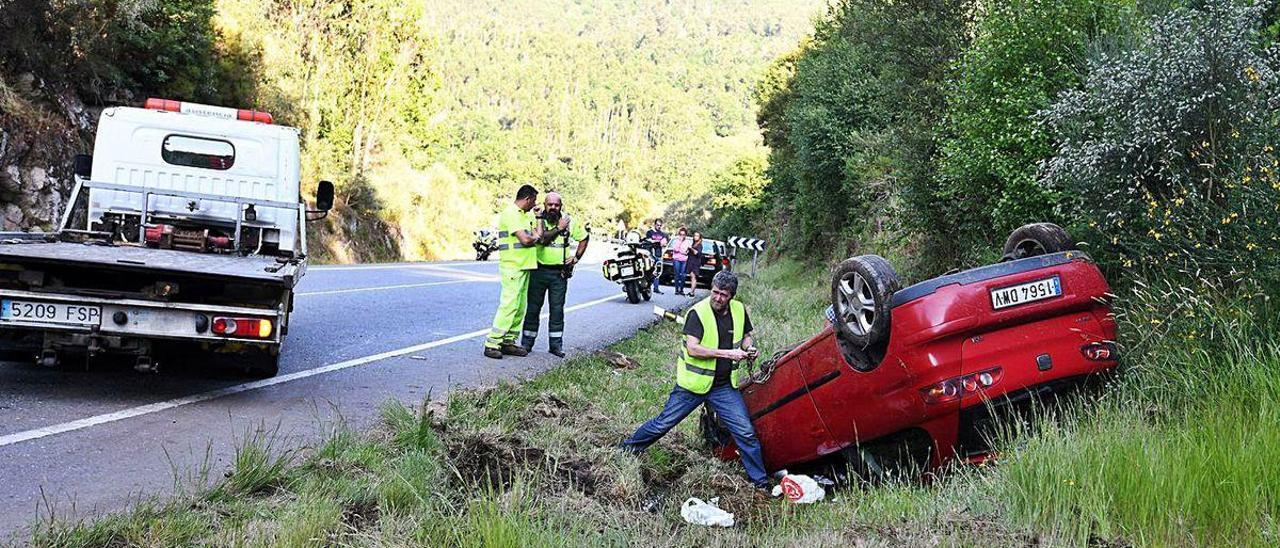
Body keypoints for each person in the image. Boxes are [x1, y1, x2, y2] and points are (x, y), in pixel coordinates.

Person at [620, 271, 769, 491]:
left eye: (723, 295)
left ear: (732, 296)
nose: (718, 298)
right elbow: (693, 348)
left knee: (745, 431)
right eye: (715, 292)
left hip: (723, 387)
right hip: (692, 386)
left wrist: (749, 347)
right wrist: (729, 354)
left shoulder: (739, 310)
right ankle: (625, 450)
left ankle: (761, 482)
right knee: (663, 424)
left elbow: (746, 335)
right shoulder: (697, 313)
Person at [521, 191, 587, 357]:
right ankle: (526, 344)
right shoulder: (537, 219)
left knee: (557, 310)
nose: (553, 208)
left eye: (556, 205)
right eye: (550, 204)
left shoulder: (570, 221)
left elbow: (584, 238)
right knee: (533, 309)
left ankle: (555, 346)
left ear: (560, 206)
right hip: (538, 271)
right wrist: (559, 228)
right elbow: (542, 239)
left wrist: (576, 258)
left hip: (559, 274)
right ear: (545, 205)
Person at [484, 184, 544, 360]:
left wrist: (539, 218)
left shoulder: (527, 216)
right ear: (527, 199)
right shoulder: (511, 213)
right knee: (509, 305)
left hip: (525, 265)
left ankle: (508, 341)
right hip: (512, 265)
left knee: (520, 306)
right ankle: (492, 343)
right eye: (533, 201)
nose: (534, 205)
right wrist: (533, 237)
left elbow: (538, 236)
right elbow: (526, 240)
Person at [644, 219, 668, 294]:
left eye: (660, 225)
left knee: (658, 271)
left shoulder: (662, 234)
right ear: (654, 224)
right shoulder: (649, 232)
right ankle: (647, 286)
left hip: (658, 254)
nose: (659, 226)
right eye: (657, 225)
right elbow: (648, 241)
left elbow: (664, 242)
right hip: (651, 254)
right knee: (649, 270)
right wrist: (655, 241)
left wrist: (663, 243)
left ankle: (656, 288)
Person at [669, 227, 693, 296]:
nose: (682, 236)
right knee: (677, 274)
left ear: (685, 235)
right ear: (679, 235)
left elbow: (688, 250)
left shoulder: (687, 242)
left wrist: (686, 252)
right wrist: (680, 243)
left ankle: (681, 290)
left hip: (684, 260)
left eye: (684, 234)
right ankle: (676, 289)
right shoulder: (676, 241)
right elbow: (675, 249)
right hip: (676, 259)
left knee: (683, 275)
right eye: (681, 234)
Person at [686, 231, 705, 298]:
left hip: (695, 263)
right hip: (690, 261)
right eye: (695, 235)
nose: (695, 237)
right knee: (692, 277)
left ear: (700, 237)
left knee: (693, 277)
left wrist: (691, 248)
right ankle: (691, 291)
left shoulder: (699, 245)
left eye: (697, 236)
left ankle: (692, 292)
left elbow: (697, 253)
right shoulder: (694, 243)